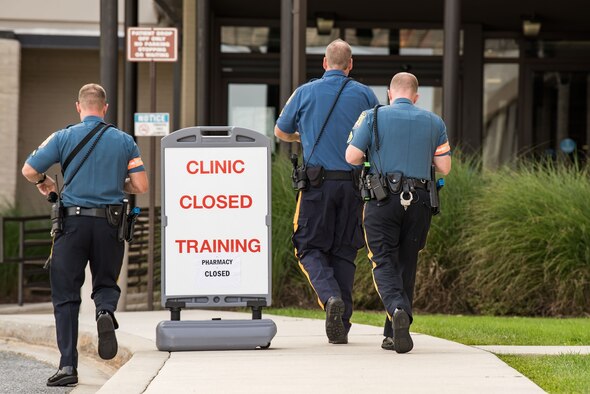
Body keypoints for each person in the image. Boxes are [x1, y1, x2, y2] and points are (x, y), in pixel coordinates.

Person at [21, 83, 148, 386]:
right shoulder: (124, 141)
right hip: (109, 223)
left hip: (72, 224)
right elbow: (140, 185)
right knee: (105, 282)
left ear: (78, 107)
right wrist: (119, 186)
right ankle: (104, 311)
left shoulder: (63, 136)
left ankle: (68, 367)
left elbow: (29, 170)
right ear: (105, 108)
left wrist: (45, 182)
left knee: (66, 295)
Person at [274, 39, 379, 344]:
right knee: (345, 250)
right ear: (350, 65)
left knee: (308, 246)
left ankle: (330, 297)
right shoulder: (364, 94)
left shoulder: (305, 92)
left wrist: (302, 138)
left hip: (316, 185)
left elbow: (281, 131)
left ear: (324, 63)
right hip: (354, 185)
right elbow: (375, 135)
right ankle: (341, 325)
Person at [345, 72, 451, 353]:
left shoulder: (372, 117)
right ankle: (393, 332)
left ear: (390, 94)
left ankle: (397, 308)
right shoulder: (434, 121)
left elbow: (352, 157)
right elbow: (445, 167)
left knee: (382, 260)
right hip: (420, 202)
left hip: (382, 200)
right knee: (406, 262)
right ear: (416, 97)